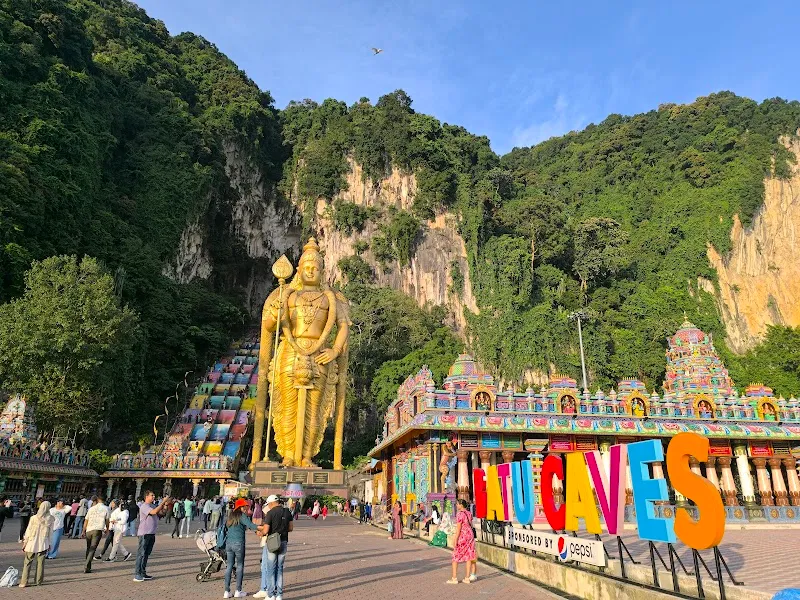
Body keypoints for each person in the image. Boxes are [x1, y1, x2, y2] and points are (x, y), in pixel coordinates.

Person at [220, 497, 262, 598]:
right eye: (245, 507)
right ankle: (238, 590)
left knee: (229, 566)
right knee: (240, 566)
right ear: (241, 507)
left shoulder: (230, 516)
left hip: (229, 544)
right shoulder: (242, 516)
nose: (246, 508)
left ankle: (227, 591)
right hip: (239, 543)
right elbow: (251, 525)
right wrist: (263, 527)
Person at [254, 495, 293, 600]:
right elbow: (291, 528)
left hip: (272, 543)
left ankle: (271, 594)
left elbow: (266, 530)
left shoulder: (270, 513)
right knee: (279, 569)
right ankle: (279, 594)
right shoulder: (287, 511)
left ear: (270, 503)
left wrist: (259, 533)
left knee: (271, 569)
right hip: (283, 541)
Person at [134, 490, 169, 582]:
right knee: (141, 554)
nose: (153, 497)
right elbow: (153, 512)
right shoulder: (144, 506)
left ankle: (143, 572)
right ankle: (137, 573)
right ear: (146, 497)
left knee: (146, 554)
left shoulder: (153, 505)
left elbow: (160, 514)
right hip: (144, 533)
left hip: (151, 533)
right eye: (152, 495)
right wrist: (162, 502)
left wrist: (165, 505)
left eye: (154, 495)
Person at [19, 501, 54, 588]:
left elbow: (28, 531)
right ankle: (38, 581)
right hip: (43, 543)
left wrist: (25, 542)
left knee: (27, 562)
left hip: (31, 542)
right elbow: (51, 533)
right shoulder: (51, 519)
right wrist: (49, 543)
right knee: (40, 563)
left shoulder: (34, 518)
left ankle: (24, 582)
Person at [447, 499, 477, 584]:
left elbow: (459, 528)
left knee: (455, 556)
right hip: (470, 535)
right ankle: (467, 578)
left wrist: (455, 539)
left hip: (463, 535)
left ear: (461, 505)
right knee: (469, 556)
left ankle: (454, 578)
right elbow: (469, 524)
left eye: (457, 504)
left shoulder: (459, 514)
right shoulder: (469, 513)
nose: (456, 505)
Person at [83, 495, 109, 573]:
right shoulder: (106, 508)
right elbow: (107, 520)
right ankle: (87, 566)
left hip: (89, 529)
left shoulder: (91, 508)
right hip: (97, 530)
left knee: (89, 547)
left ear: (97, 500)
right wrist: (107, 529)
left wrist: (83, 530)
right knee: (93, 548)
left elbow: (86, 520)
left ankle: (88, 565)